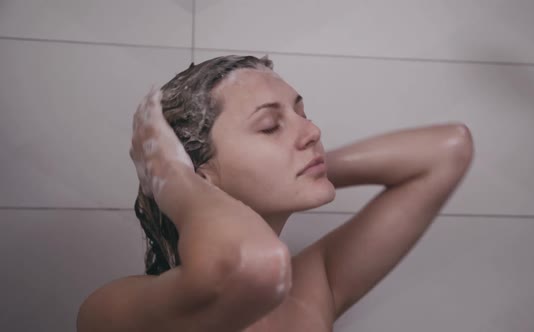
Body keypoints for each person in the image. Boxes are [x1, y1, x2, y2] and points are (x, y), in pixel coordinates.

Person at [76, 55, 474, 332]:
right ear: (200, 175)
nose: (312, 131)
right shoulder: (117, 311)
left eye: (301, 113)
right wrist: (166, 171)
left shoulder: (312, 286)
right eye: (270, 126)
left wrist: (309, 166)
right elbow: (251, 266)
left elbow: (446, 150)